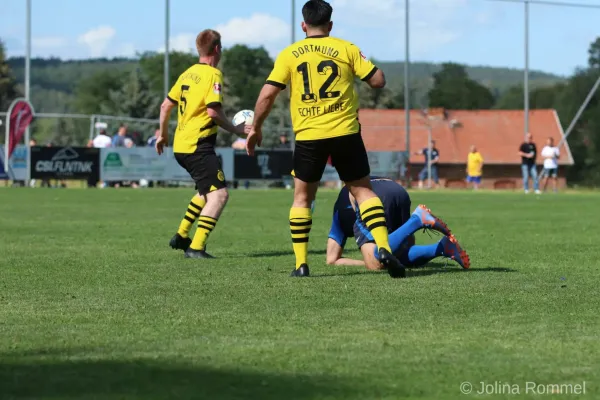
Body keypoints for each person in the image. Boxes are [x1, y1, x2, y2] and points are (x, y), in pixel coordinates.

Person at [246, 0, 404, 278]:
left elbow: (268, 95)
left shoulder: (290, 54)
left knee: (302, 199)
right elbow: (378, 81)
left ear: (303, 25)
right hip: (345, 132)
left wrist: (256, 127)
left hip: (309, 136)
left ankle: (301, 264)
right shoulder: (346, 48)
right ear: (330, 25)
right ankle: (383, 246)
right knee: (363, 191)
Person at [156, 29, 250, 259]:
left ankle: (181, 235)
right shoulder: (212, 75)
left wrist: (162, 134)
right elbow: (213, 111)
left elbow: (165, 106)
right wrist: (236, 129)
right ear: (217, 49)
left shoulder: (187, 74)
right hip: (198, 145)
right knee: (219, 196)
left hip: (181, 145)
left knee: (205, 191)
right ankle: (196, 247)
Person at [326, 177, 470, 271]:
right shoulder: (361, 180)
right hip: (397, 189)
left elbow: (332, 259)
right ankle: (442, 248)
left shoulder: (340, 211)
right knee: (396, 257)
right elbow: (407, 244)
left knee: (375, 263)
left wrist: (366, 261)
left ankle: (417, 220)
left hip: (370, 197)